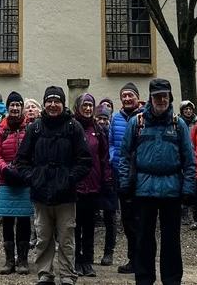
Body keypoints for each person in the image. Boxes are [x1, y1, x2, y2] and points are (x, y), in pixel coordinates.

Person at [118, 78, 195, 285]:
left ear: (170, 98)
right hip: (143, 189)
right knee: (143, 238)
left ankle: (172, 280)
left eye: (165, 96)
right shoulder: (137, 123)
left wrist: (189, 187)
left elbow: (189, 159)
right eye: (157, 96)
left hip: (172, 188)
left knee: (171, 239)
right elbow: (125, 156)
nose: (161, 100)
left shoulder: (178, 124)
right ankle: (144, 279)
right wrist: (124, 184)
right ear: (150, 98)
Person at [15, 85, 92, 285]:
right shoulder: (35, 128)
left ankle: (67, 275)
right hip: (41, 194)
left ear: (62, 104)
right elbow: (21, 160)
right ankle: (45, 274)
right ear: (44, 104)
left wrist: (69, 179)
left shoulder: (73, 127)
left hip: (66, 195)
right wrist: (34, 178)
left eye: (57, 101)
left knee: (66, 238)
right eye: (49, 101)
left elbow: (85, 160)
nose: (52, 104)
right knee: (43, 237)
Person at [0, 91, 34, 275]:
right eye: (12, 105)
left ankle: (23, 260)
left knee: (24, 220)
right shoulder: (0, 129)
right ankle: (9, 260)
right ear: (8, 107)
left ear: (22, 107)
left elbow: (34, 152)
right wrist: (5, 170)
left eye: (18, 105)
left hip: (25, 180)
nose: (15, 108)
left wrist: (25, 171)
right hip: (6, 180)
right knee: (8, 221)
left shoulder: (31, 128)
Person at [72, 94, 111, 277]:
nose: (88, 109)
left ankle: (88, 261)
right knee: (75, 225)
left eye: (90, 105)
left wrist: (107, 180)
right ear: (78, 107)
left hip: (93, 185)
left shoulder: (98, 129)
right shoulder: (71, 127)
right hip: (75, 185)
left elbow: (104, 157)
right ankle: (76, 260)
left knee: (89, 226)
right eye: (85, 105)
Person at [108, 81, 142, 274]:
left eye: (131, 95)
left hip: (140, 175)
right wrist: (113, 157)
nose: (127, 98)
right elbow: (111, 142)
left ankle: (142, 259)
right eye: (124, 96)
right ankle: (132, 259)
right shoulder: (116, 118)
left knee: (141, 220)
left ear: (137, 97)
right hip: (121, 173)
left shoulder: (144, 117)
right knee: (127, 220)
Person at [94, 107, 119, 266]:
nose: (102, 122)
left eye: (105, 119)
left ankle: (109, 251)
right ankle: (88, 252)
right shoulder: (91, 133)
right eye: (99, 119)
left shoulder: (112, 135)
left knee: (110, 217)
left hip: (110, 178)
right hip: (94, 179)